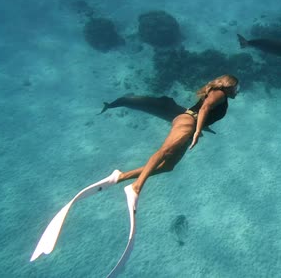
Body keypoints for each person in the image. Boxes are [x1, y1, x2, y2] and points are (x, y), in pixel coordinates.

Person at [30, 75, 239, 277]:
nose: (237, 91)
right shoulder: (220, 93)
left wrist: (198, 129)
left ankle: (121, 177)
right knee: (165, 151)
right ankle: (137, 186)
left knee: (168, 166)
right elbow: (204, 109)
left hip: (189, 121)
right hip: (189, 121)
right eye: (236, 87)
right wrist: (196, 131)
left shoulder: (219, 93)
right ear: (229, 86)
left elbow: (205, 109)